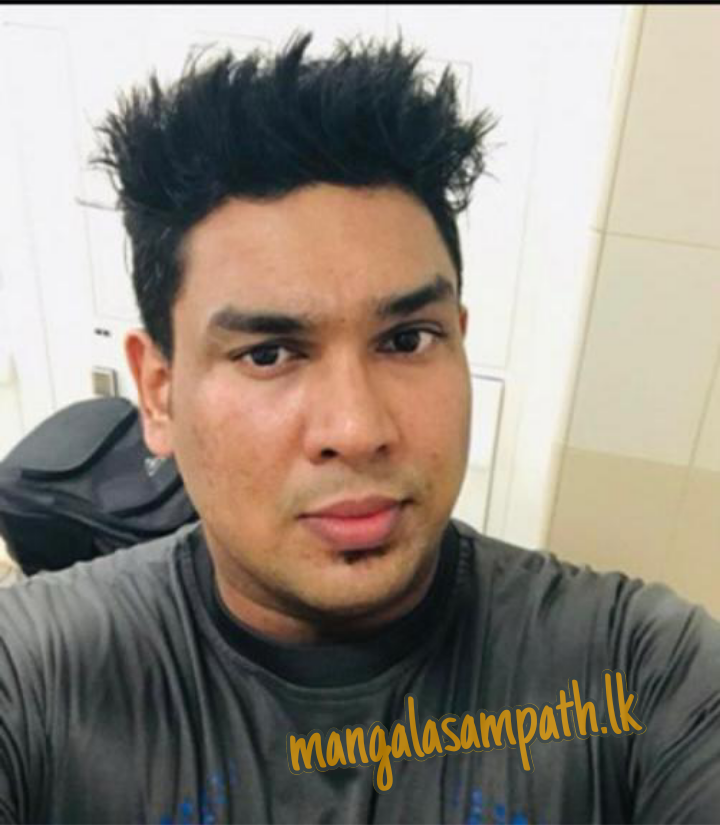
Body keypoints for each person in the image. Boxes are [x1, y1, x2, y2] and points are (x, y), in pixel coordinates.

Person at [0, 32, 718, 825]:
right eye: (269, 353)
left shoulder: (641, 674)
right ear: (160, 393)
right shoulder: (31, 679)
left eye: (407, 339)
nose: (357, 426)